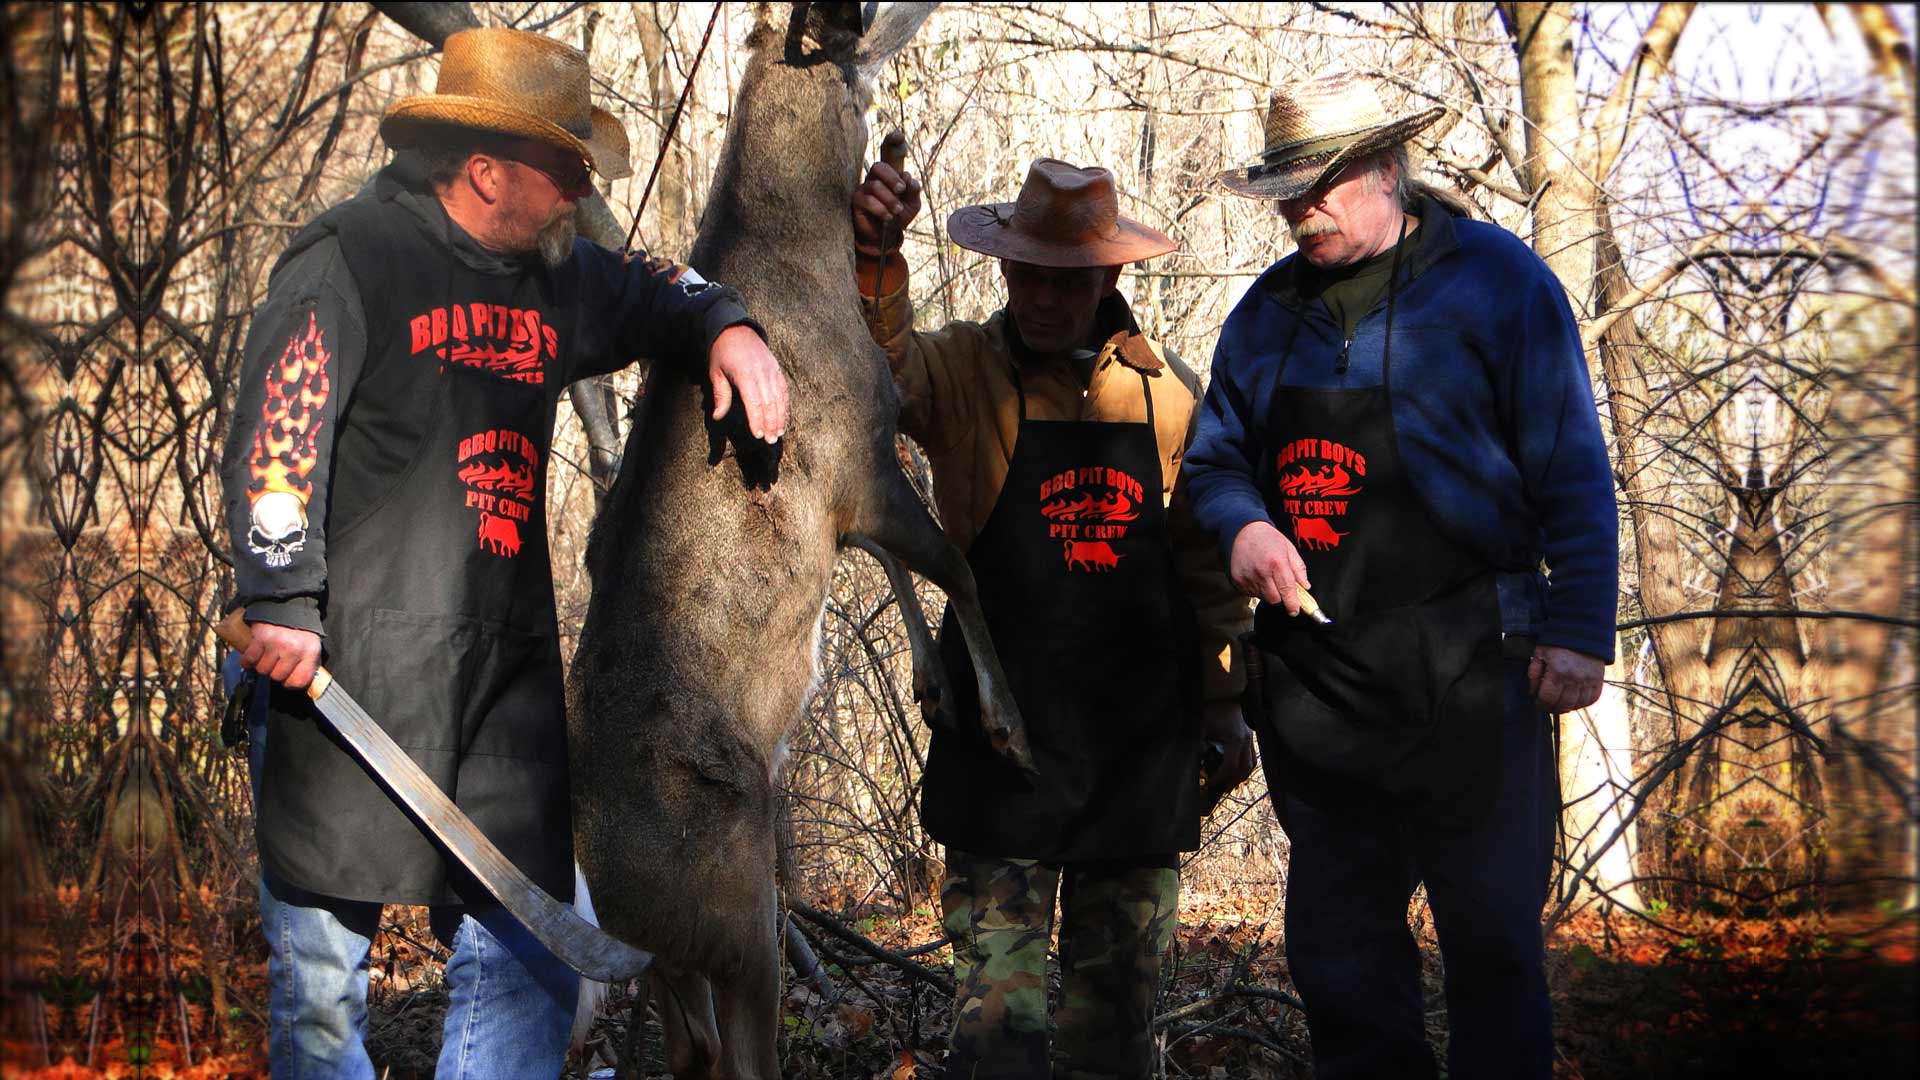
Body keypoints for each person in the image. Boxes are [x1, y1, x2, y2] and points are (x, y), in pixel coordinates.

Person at [218, 28, 788, 1078]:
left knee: (531, 955)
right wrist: (282, 598)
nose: (581, 189)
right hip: (340, 669)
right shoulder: (351, 257)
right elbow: (279, 431)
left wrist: (729, 327)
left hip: (496, 687)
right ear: (485, 170)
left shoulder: (557, 276)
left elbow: (665, 287)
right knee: (320, 985)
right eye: (566, 165)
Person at [1183, 71, 1618, 1078]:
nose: (1302, 210)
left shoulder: (1500, 285)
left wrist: (1580, 625)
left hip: (1478, 670)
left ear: (1387, 167)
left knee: (1497, 947)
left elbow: (1572, 466)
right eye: (1288, 192)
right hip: (1321, 687)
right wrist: (1242, 526)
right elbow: (1213, 460)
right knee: (1342, 963)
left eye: (1321, 185)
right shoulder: (1265, 316)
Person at [851, 150, 1255, 1079]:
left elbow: (1206, 562)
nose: (1040, 296)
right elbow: (877, 370)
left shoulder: (1169, 395)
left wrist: (1226, 698)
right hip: (1002, 741)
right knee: (998, 1034)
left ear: (1109, 276)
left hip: (1139, 747)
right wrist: (877, 254)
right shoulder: (958, 372)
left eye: (1064, 279)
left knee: (1115, 1031)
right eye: (1025, 274)